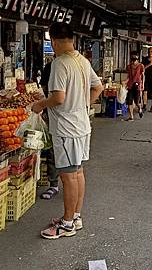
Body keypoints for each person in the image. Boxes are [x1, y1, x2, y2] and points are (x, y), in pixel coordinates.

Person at [32, 23, 104, 239]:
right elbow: (98, 87)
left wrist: (40, 105)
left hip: (66, 128)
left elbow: (58, 98)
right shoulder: (82, 60)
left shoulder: (59, 64)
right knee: (78, 172)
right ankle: (75, 217)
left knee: (68, 176)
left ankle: (67, 224)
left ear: (53, 41)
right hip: (81, 125)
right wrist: (83, 106)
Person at [39, 55, 59, 200]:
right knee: (52, 149)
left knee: (67, 154)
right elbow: (44, 89)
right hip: (52, 114)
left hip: (70, 119)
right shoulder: (50, 67)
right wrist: (45, 108)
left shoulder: (76, 66)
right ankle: (54, 184)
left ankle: (66, 183)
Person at [126, 53, 144, 121]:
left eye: (135, 60)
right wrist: (125, 82)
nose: (133, 62)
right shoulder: (129, 66)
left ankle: (140, 109)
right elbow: (128, 76)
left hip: (138, 86)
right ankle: (131, 117)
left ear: (137, 60)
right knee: (129, 102)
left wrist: (142, 85)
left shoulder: (140, 66)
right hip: (130, 85)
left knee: (137, 102)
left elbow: (143, 76)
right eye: (132, 60)